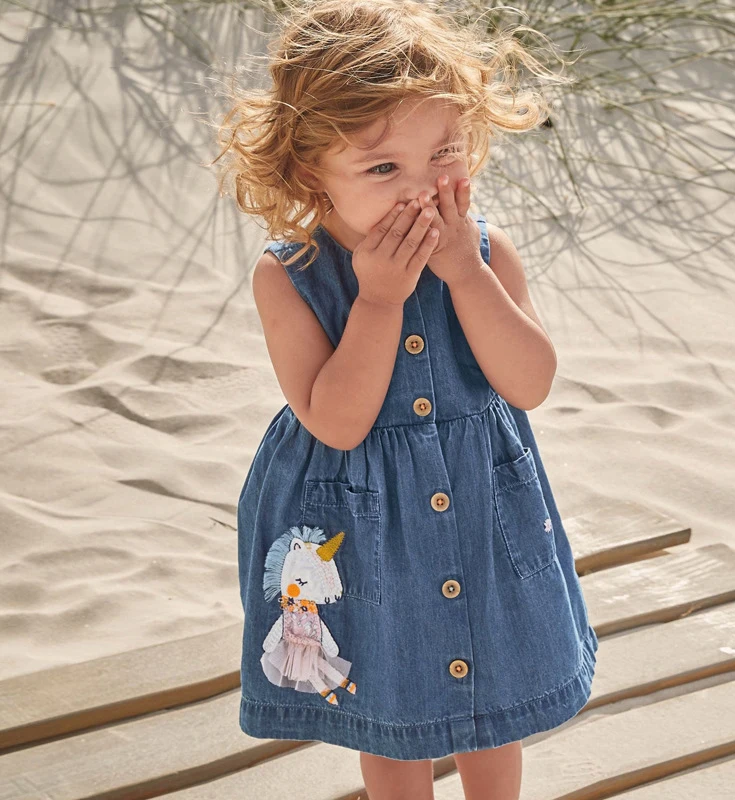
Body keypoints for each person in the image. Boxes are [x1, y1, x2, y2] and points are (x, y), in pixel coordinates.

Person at [211, 1, 598, 797]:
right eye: (383, 169)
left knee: (496, 693)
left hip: (482, 513)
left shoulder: (483, 251)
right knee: (390, 702)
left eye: (443, 154)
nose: (422, 189)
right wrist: (379, 300)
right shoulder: (290, 277)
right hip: (363, 528)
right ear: (310, 174)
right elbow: (337, 421)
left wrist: (467, 276)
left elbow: (529, 383)